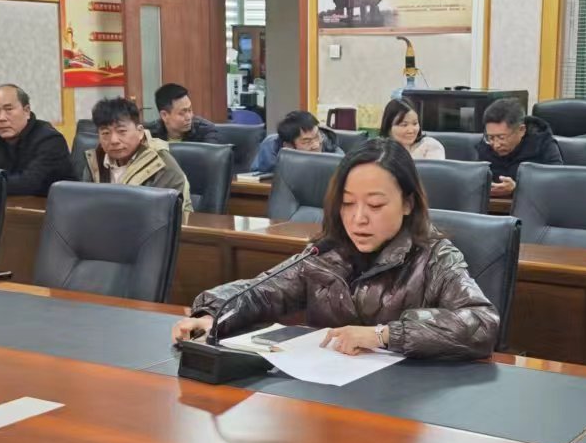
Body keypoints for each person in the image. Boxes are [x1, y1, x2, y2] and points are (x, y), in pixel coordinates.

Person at [172, 140, 498, 358]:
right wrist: (211, 314)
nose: (358, 218)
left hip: (406, 404)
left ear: (407, 204)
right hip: (331, 397)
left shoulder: (435, 257)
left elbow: (481, 322)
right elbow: (261, 292)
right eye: (347, 203)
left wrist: (384, 335)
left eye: (375, 205)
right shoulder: (328, 253)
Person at [85, 95, 191, 215]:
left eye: (121, 131)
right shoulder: (95, 160)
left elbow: (165, 215)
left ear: (140, 132)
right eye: (105, 133)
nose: (114, 140)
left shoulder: (161, 163)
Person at [477, 97, 562, 198]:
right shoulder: (486, 145)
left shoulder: (543, 144)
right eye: (490, 137)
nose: (496, 145)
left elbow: (557, 183)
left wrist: (517, 189)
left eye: (501, 137)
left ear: (521, 130)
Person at [250, 109, 337, 173]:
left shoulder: (330, 144)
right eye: (307, 141)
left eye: (317, 137)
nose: (316, 145)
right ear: (288, 146)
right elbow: (256, 178)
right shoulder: (271, 148)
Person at [147, 83, 222, 145]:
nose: (189, 117)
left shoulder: (206, 131)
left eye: (190, 110)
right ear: (164, 115)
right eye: (182, 113)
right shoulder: (149, 135)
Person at [379, 97, 444, 160]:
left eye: (415, 123)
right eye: (404, 125)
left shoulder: (431, 146)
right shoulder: (379, 151)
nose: (411, 130)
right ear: (388, 128)